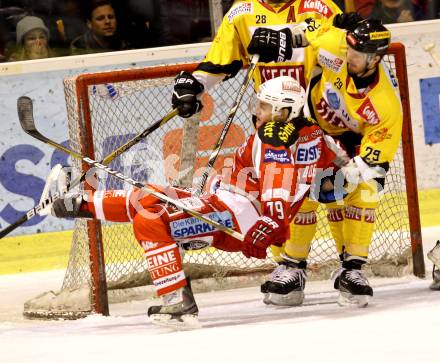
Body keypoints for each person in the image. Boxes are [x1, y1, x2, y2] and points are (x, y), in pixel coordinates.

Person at [50, 76, 340, 327]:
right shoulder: (314, 135)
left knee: (150, 220)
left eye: (264, 106)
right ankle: (77, 203)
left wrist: (272, 221)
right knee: (148, 196)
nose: (257, 111)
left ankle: (176, 299)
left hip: (236, 216)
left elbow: (278, 178)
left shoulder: (273, 136)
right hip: (227, 204)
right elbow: (345, 171)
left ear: (282, 110)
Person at [262, 18, 403, 308]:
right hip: (312, 125)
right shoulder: (336, 45)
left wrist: (341, 180)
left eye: (357, 56)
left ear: (375, 59)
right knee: (299, 190)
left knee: (366, 190)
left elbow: (372, 163)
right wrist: (277, 37)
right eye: (348, 50)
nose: (348, 57)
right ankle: (293, 267)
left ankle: (353, 270)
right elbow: (308, 29)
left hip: (353, 143)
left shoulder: (385, 105)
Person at [170, 0, 343, 119]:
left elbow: (346, 55)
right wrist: (194, 86)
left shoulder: (321, 7)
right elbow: (219, 60)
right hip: (268, 114)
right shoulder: (240, 13)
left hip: (315, 114)